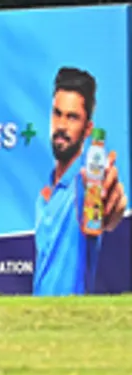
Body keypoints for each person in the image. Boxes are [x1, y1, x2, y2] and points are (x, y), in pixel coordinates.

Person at [33, 66, 127, 296]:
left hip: (70, 324)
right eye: (57, 114)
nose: (62, 126)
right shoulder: (46, 192)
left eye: (72, 117)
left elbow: (108, 203)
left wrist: (111, 204)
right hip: (36, 323)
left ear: (87, 129)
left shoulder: (86, 182)